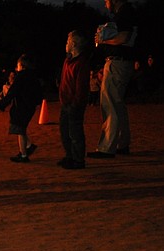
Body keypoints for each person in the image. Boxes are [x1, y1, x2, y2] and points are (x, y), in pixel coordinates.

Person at [88, 0, 139, 158]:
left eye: (106, 0)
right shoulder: (127, 12)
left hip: (117, 63)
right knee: (117, 104)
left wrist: (102, 40)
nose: (105, 4)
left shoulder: (125, 13)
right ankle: (122, 144)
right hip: (122, 63)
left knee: (109, 104)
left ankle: (107, 147)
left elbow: (124, 37)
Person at [0, 54, 42, 163]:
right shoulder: (33, 76)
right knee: (21, 127)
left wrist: (2, 104)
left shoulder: (21, 76)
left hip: (22, 107)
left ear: (22, 65)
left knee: (19, 129)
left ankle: (23, 154)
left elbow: (13, 92)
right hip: (30, 106)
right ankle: (29, 146)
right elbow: (39, 92)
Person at [58, 31, 92, 170]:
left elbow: (81, 87)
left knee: (75, 133)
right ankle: (70, 156)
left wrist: (75, 103)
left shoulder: (81, 64)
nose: (66, 44)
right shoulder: (68, 61)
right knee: (65, 132)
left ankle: (78, 160)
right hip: (65, 103)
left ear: (74, 44)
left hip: (74, 105)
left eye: (68, 42)